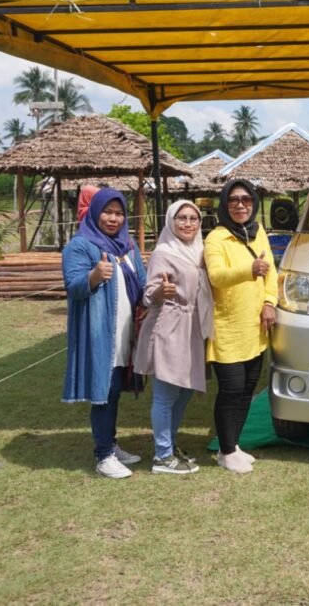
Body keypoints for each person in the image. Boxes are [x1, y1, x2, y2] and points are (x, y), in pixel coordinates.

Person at [62, 188, 147, 479]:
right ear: (95, 212)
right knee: (103, 394)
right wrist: (95, 276)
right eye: (107, 212)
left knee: (114, 393)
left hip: (125, 333)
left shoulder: (128, 247)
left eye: (119, 212)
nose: (113, 218)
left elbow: (143, 284)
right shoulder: (80, 246)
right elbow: (73, 287)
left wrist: (157, 294)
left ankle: (110, 443)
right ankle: (103, 455)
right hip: (101, 334)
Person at [133, 200, 214, 475]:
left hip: (193, 327)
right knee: (166, 393)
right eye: (182, 218)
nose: (188, 223)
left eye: (193, 218)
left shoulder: (200, 251)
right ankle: (162, 456)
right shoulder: (164, 252)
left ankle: (169, 443)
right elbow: (148, 293)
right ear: (171, 221)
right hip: (169, 325)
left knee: (185, 389)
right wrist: (159, 293)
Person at [205, 178, 278, 474]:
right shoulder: (216, 238)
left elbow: (271, 271)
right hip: (227, 326)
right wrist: (248, 270)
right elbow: (216, 276)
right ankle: (225, 448)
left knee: (248, 388)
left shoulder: (259, 233)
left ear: (254, 204)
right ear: (225, 204)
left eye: (246, 200)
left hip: (255, 326)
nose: (240, 205)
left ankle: (232, 446)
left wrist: (270, 302)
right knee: (231, 389)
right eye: (234, 200)